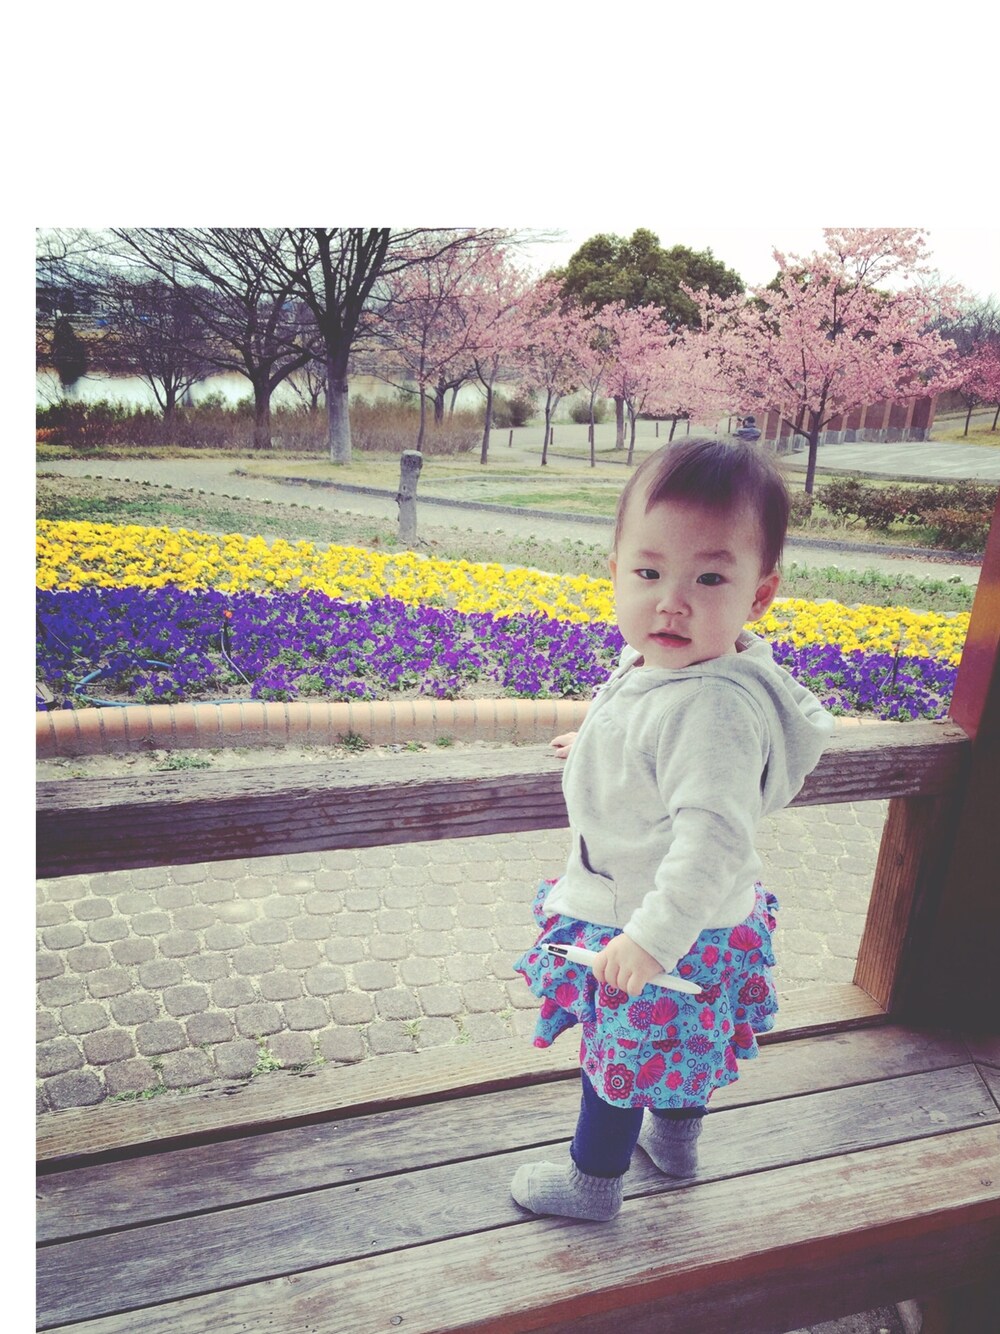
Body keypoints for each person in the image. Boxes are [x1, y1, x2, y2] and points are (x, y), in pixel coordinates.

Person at [511, 436, 835, 1221]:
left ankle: (593, 1186)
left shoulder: (710, 710)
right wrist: (600, 742)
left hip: (657, 924)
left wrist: (651, 941)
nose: (671, 602)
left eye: (710, 577)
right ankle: (676, 1148)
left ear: (760, 593)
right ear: (616, 571)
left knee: (618, 1060)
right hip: (710, 924)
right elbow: (650, 727)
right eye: (649, 573)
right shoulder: (683, 669)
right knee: (686, 1047)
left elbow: (712, 838)